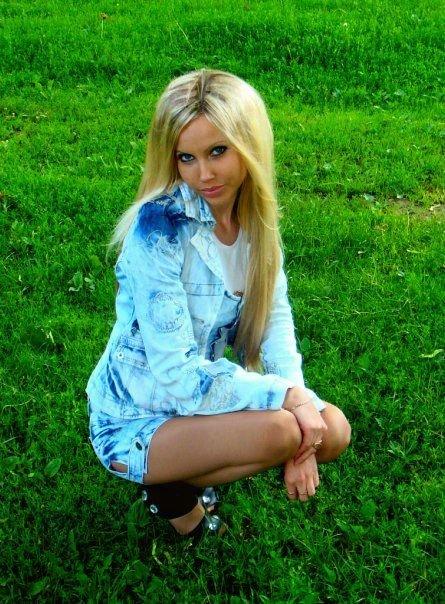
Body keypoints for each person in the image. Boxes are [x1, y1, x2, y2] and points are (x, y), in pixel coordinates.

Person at [86, 69, 351, 538]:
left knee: (333, 430)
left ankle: (181, 476)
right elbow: (177, 375)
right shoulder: (158, 230)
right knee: (282, 430)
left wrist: (302, 408)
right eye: (186, 157)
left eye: (218, 151)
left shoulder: (255, 225)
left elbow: (275, 323)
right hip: (137, 418)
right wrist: (287, 402)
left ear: (249, 145)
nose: (203, 175)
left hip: (200, 401)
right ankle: (169, 489)